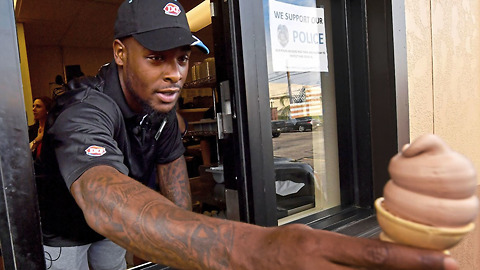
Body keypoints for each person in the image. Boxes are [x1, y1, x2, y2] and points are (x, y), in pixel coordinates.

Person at [37, 0, 459, 269]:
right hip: (63, 230)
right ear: (119, 52)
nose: (174, 74)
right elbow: (101, 193)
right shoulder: (84, 107)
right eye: (155, 58)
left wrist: (182, 256)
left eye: (182, 59)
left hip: (110, 233)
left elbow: (173, 177)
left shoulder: (162, 104)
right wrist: (249, 249)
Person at [28, 96, 53, 161]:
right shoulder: (31, 130)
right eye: (33, 106)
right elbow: (25, 152)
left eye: (38, 106)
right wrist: (36, 141)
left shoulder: (53, 129)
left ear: (47, 110)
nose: (34, 109)